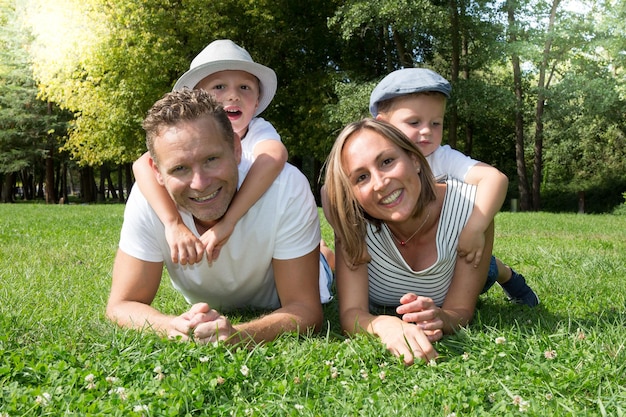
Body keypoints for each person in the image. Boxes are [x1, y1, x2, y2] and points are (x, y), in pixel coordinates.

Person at [106, 89, 324, 344]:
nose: (199, 183)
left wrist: (239, 336)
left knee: (324, 265)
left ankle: (323, 256)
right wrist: (170, 327)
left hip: (283, 291)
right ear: (156, 172)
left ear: (235, 149)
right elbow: (122, 304)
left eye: (211, 159)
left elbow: (306, 310)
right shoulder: (147, 199)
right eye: (179, 168)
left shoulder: (286, 186)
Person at [133, 39, 333, 302]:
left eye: (244, 87)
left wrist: (228, 222)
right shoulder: (178, 141)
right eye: (219, 86)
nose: (233, 95)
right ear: (197, 96)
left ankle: (327, 255)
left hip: (272, 250)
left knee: (326, 267)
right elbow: (143, 166)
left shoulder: (260, 132)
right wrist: (173, 224)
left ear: (258, 98)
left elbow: (275, 157)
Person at [322, 118, 496, 364]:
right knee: (330, 265)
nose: (380, 183)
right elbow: (352, 314)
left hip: (477, 262)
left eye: (387, 161)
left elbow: (462, 311)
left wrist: (441, 318)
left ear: (414, 160)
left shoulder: (472, 212)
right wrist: (385, 326)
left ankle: (502, 271)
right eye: (361, 177)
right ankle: (324, 251)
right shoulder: (354, 225)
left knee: (490, 270)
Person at [369, 68, 538, 307]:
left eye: (436, 123)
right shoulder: (369, 160)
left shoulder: (440, 157)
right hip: (399, 256)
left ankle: (506, 274)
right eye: (414, 122)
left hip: (452, 252)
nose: (427, 130)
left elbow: (494, 179)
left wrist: (474, 229)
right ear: (382, 124)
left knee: (483, 265)